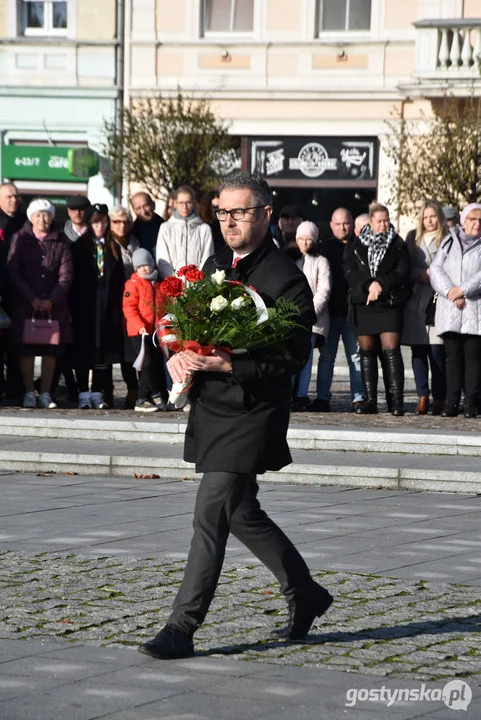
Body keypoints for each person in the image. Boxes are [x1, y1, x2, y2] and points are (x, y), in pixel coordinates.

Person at [138, 172, 333, 660]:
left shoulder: (286, 277)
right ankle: (304, 592)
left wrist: (231, 362)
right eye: (222, 212)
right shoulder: (214, 263)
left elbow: (292, 357)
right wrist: (178, 354)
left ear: (266, 214)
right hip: (212, 408)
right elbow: (181, 322)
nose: (228, 221)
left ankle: (182, 627)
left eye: (239, 212)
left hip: (252, 412)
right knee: (241, 513)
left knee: (210, 513)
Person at [344, 202, 411, 416]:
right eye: (379, 221)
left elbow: (402, 271)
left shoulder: (398, 244)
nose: (383, 225)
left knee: (391, 349)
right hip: (364, 303)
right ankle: (370, 399)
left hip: (389, 302)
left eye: (386, 220)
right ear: (371, 222)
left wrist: (381, 283)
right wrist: (368, 285)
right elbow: (349, 270)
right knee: (367, 351)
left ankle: (397, 401)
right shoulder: (356, 245)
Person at [7, 199, 73, 409]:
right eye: (37, 215)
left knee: (50, 350)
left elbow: (66, 274)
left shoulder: (61, 240)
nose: (42, 219)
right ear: (31, 217)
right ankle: (28, 392)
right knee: (26, 349)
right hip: (26, 304)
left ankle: (45, 392)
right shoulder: (21, 238)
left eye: (46, 215)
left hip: (53, 305)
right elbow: (13, 271)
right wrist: (31, 298)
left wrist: (52, 299)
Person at [69, 203, 127, 409]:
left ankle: (97, 391)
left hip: (107, 307)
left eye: (103, 222)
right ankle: (83, 391)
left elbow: (119, 280)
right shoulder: (78, 247)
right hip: (86, 307)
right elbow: (73, 279)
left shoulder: (113, 248)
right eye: (95, 223)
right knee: (85, 350)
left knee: (103, 351)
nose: (99, 226)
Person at [430, 203, 481, 418]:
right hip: (450, 307)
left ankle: (471, 404)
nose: (477, 224)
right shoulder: (449, 240)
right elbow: (435, 268)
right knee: (452, 357)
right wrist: (451, 291)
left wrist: (463, 290)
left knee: (473, 358)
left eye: (480, 220)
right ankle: (451, 404)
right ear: (463, 220)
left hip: (474, 308)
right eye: (473, 219)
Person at [315, 208, 364, 412]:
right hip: (330, 312)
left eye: (346, 223)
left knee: (356, 358)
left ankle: (359, 397)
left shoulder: (361, 247)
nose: (343, 227)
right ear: (331, 225)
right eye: (338, 224)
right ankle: (322, 397)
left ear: (352, 224)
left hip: (354, 313)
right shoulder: (323, 248)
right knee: (326, 358)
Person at [402, 200, 448, 415]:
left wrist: (435, 274)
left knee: (438, 351)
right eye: (425, 217)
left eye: (433, 216)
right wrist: (416, 274)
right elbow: (404, 265)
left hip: (439, 299)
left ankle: (440, 397)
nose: (429, 221)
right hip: (416, 299)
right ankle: (422, 396)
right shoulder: (413, 238)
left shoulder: (448, 238)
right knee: (418, 349)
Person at [291, 221, 331, 411]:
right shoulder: (292, 260)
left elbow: (324, 289)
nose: (304, 243)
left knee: (306, 359)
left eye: (308, 239)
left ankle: (301, 394)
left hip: (313, 319)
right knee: (291, 356)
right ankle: (289, 392)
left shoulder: (320, 261)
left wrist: (309, 313)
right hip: (292, 317)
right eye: (301, 239)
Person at [123, 248, 167, 412]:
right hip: (140, 332)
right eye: (139, 266)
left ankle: (154, 392)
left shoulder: (159, 284)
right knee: (146, 363)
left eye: (146, 265)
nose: (143, 269)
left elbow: (164, 306)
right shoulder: (133, 284)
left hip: (156, 332)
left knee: (154, 363)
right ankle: (141, 398)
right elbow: (129, 308)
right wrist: (139, 324)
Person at [0, 182, 27, 402]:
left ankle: (16, 389)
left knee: (17, 343)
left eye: (16, 196)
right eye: (9, 196)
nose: (14, 200)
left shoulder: (24, 222)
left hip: (19, 292)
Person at [156, 185, 214, 279]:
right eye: (181, 202)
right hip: (174, 287)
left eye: (188, 202)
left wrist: (197, 281)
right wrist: (174, 282)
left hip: (197, 287)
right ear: (175, 203)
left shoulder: (204, 229)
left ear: (193, 203)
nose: (185, 207)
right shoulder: (166, 228)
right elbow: (162, 260)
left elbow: (207, 257)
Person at [131, 192, 164, 258]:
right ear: (134, 210)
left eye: (146, 206)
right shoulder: (131, 232)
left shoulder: (166, 227)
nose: (143, 211)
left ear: (153, 205)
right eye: (138, 208)